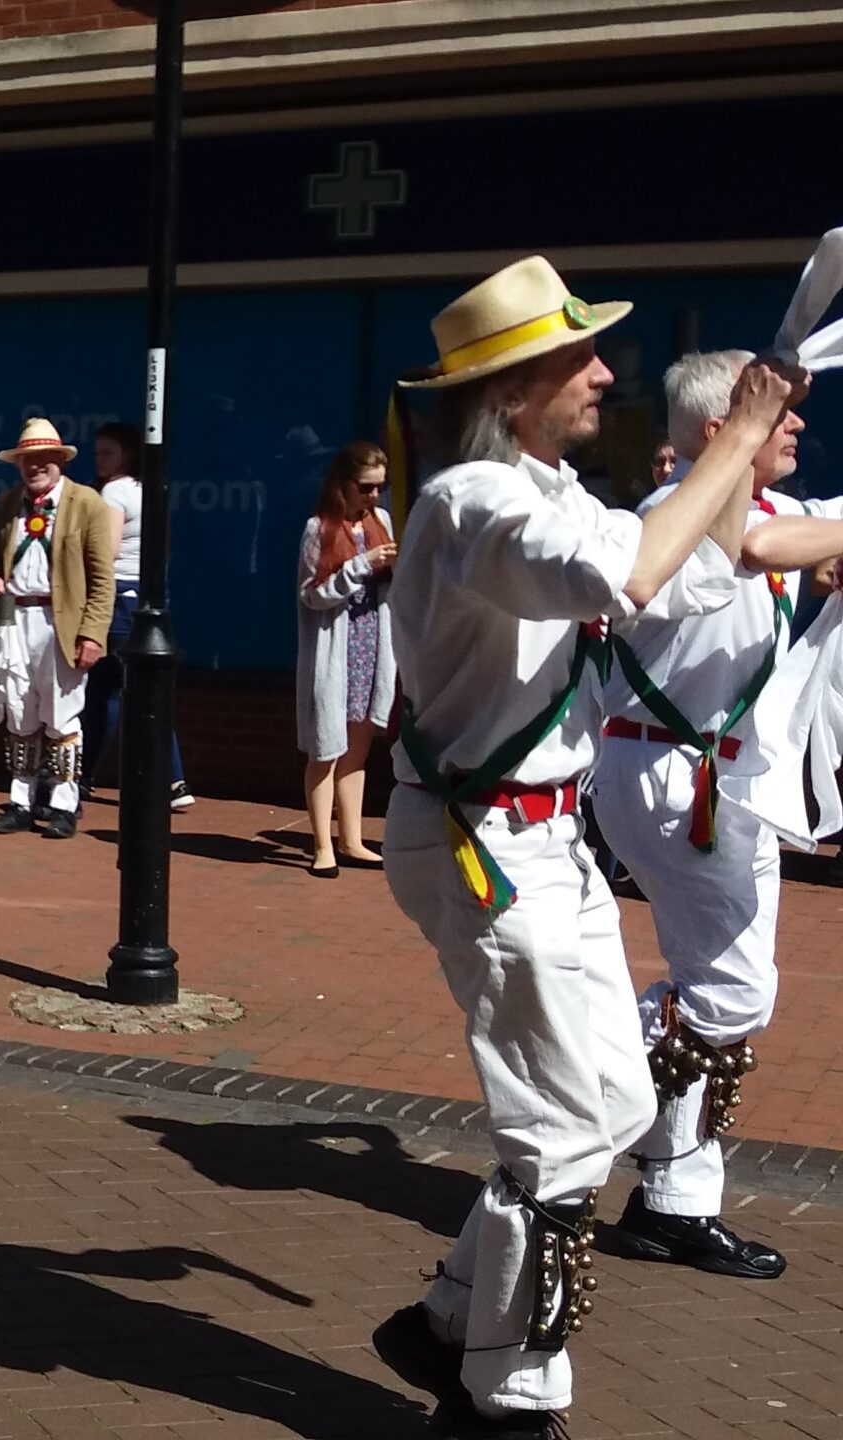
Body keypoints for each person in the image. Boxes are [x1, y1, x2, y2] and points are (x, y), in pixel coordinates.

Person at [366, 258, 802, 1440]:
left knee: (606, 1107)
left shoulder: (552, 492)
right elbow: (628, 571)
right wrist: (736, 435)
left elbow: (686, 580)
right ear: (513, 391)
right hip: (483, 839)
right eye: (579, 356)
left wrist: (733, 462)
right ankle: (504, 1400)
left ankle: (448, 1319)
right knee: (561, 1129)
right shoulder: (472, 504)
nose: (605, 371)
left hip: (542, 840)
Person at [596, 348, 842, 1284]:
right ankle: (601, 1053)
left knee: (726, 992)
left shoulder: (776, 511)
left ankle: (673, 1200)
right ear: (721, 428)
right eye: (780, 416)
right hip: (674, 776)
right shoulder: (667, 518)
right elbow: (755, 549)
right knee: (731, 996)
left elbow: (795, 538)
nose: (799, 428)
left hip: (728, 781)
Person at [0, 418, 116, 840]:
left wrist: (93, 632)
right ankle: (20, 801)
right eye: (27, 460)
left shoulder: (86, 503)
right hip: (14, 620)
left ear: (59, 460)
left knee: (62, 716)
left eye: (42, 459)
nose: (34, 467)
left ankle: (62, 803)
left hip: (61, 623)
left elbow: (102, 576)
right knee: (19, 713)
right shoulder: (7, 504)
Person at [296, 441, 398, 878]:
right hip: (335, 649)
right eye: (365, 488)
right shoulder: (319, 529)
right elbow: (311, 595)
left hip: (371, 644)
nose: (373, 498)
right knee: (326, 749)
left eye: (379, 488)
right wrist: (360, 565)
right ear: (343, 484)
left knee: (358, 748)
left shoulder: (381, 522)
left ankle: (351, 839)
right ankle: (323, 845)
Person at [79, 422, 192, 811]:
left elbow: (104, 552)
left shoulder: (112, 491)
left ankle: (85, 776)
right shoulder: (151, 489)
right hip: (149, 597)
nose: (100, 460)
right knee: (141, 689)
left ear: (127, 454)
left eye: (108, 453)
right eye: (97, 454)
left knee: (107, 691)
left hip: (117, 600)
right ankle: (172, 781)